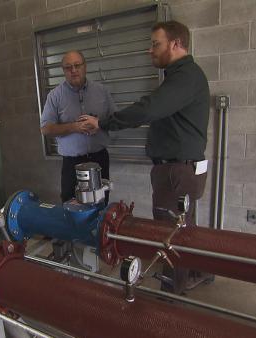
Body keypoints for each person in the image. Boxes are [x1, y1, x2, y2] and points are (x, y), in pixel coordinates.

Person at [82, 21, 210, 294]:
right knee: (183, 229)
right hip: (181, 169)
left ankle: (170, 298)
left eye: (156, 44)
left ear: (175, 44)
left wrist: (104, 122)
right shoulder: (181, 76)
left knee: (169, 235)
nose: (149, 49)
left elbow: (148, 109)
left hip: (176, 173)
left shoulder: (185, 76)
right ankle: (194, 274)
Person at [40, 50, 117, 203]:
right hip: (72, 164)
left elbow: (116, 120)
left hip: (99, 160)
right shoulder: (55, 96)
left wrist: (99, 124)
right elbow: (46, 129)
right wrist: (74, 127)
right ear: (63, 70)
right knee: (71, 205)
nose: (73, 70)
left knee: (100, 203)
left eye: (77, 65)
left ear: (85, 66)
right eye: (68, 67)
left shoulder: (102, 91)